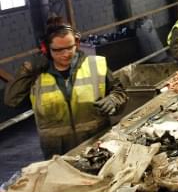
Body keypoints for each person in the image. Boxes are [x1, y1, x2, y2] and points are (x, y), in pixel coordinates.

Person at [4, 16, 128, 159]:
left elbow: (119, 92)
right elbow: (11, 100)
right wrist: (27, 69)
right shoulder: (35, 75)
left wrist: (113, 100)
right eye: (58, 50)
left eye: (70, 47)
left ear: (77, 42)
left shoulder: (94, 65)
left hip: (97, 145)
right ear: (45, 49)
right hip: (57, 153)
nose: (65, 54)